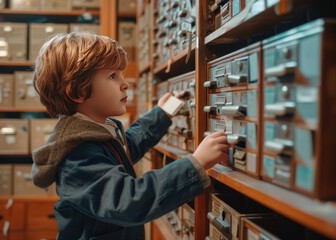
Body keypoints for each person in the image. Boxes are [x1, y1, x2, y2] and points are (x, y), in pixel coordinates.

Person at [31, 32, 229, 240]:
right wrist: (195, 163)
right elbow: (130, 201)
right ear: (78, 91)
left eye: (121, 74)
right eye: (112, 76)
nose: (125, 83)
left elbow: (128, 145)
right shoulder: (77, 155)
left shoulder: (96, 130)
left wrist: (161, 114)